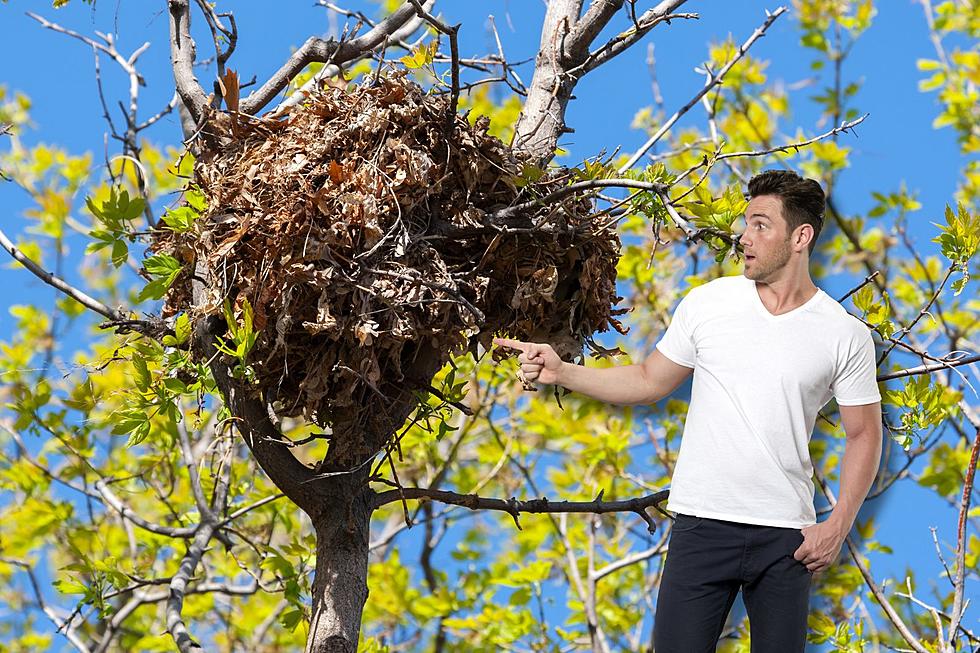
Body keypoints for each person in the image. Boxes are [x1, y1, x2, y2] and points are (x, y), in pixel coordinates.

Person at [493, 169, 883, 652]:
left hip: (787, 539)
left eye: (761, 225)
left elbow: (864, 434)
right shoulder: (709, 304)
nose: (744, 236)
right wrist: (562, 372)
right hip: (702, 528)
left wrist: (838, 525)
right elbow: (648, 380)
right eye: (745, 223)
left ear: (801, 236)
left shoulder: (843, 333)